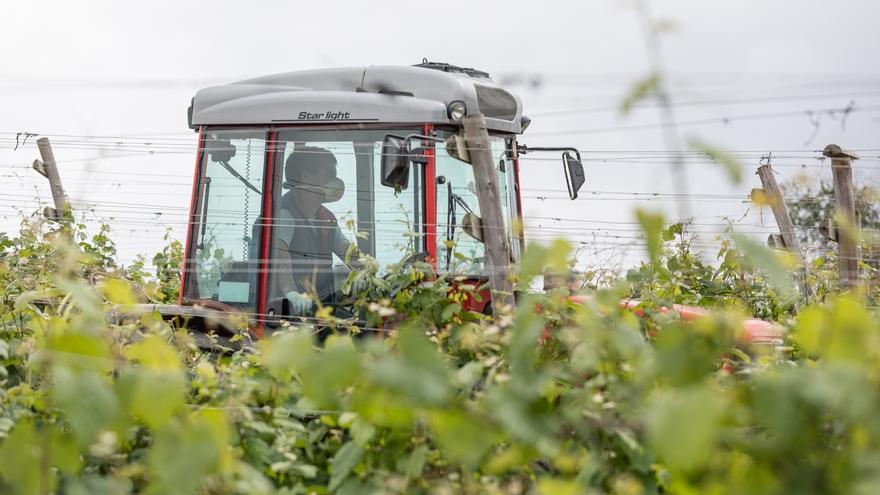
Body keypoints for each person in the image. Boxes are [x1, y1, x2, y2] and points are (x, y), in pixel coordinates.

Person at [273, 146, 354, 314]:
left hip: (320, 308)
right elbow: (280, 252)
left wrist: (367, 270)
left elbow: (344, 247)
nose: (335, 181)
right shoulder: (285, 214)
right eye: (329, 176)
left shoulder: (324, 217)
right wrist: (291, 293)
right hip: (288, 313)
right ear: (307, 177)